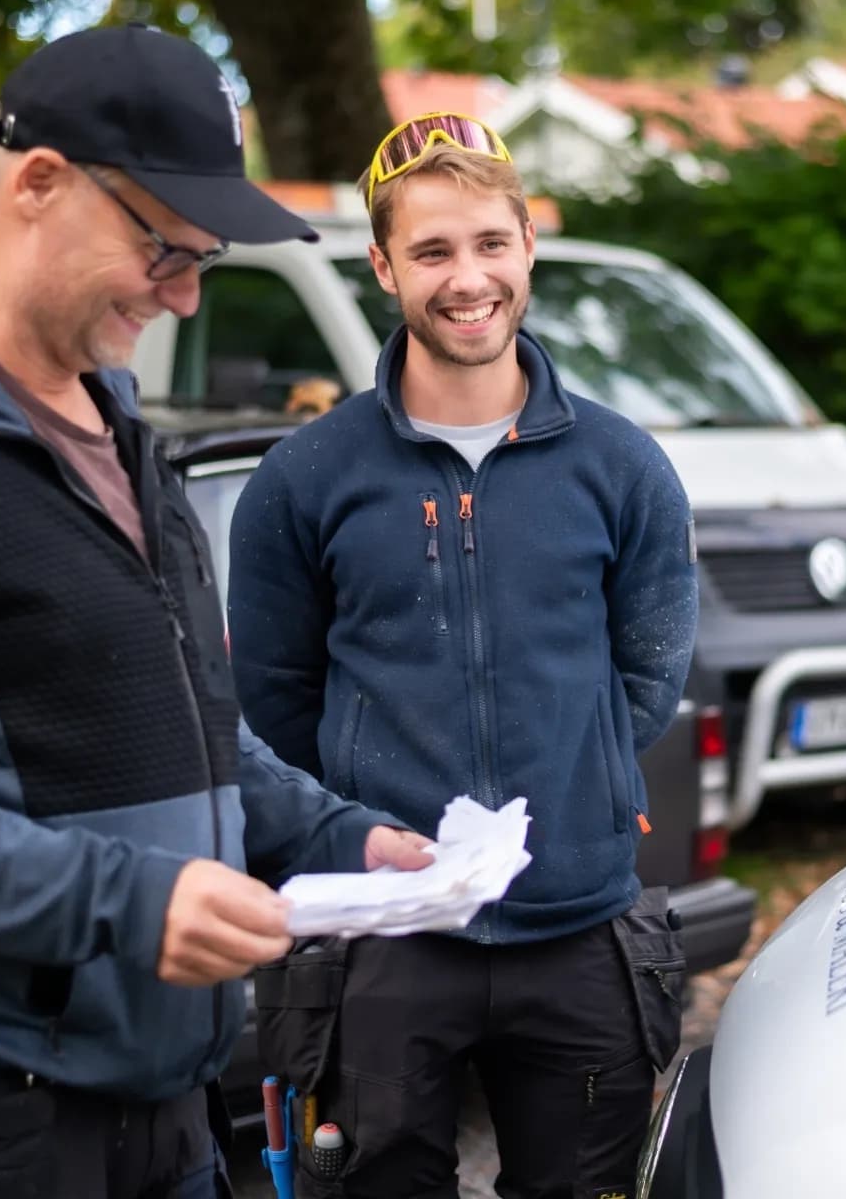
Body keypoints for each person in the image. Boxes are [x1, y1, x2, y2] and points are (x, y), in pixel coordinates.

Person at [0, 23, 433, 1199]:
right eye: (164, 249)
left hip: (166, 1125)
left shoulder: (115, 426)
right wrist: (130, 902)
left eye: (203, 257)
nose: (188, 295)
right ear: (39, 184)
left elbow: (182, 728)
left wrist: (338, 839)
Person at [226, 113, 699, 1198]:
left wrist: (567, 787)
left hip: (580, 926)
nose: (468, 278)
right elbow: (277, 699)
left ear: (528, 245)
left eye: (490, 242)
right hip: (386, 934)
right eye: (432, 251)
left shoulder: (625, 468)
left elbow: (645, 679)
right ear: (384, 266)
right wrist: (370, 818)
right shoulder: (305, 478)